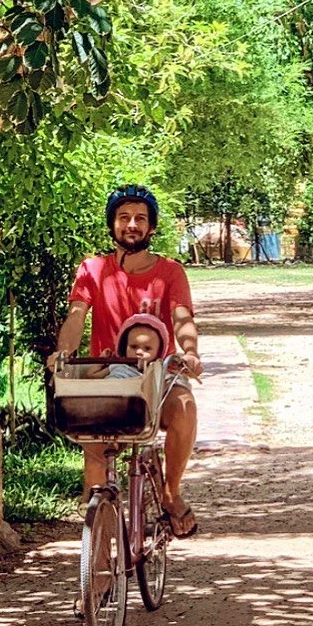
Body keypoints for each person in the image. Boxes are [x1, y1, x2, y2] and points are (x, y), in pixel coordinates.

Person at [47, 185, 203, 537]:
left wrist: (189, 352)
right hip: (108, 376)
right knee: (95, 459)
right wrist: (63, 353)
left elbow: (182, 318)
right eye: (123, 217)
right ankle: (98, 569)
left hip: (156, 372)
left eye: (140, 219)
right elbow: (76, 315)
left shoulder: (170, 272)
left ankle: (170, 492)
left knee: (184, 407)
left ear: (151, 227)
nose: (131, 224)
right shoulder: (92, 269)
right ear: (112, 224)